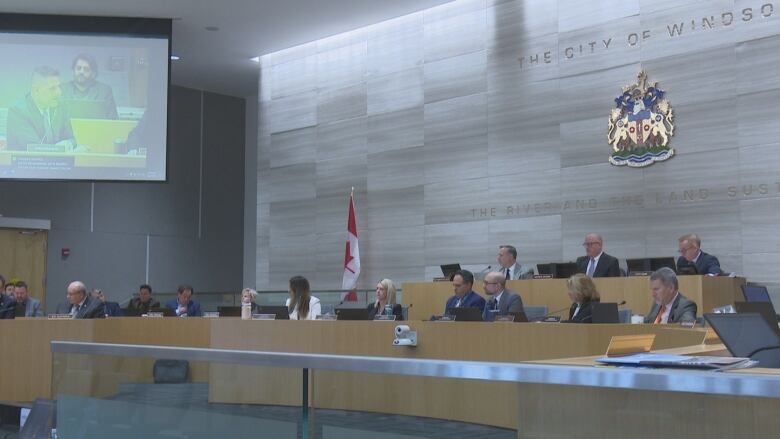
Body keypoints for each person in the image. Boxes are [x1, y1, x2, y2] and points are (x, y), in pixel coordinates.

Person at [6, 66, 75, 150]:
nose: (59, 92)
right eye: (52, 88)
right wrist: (61, 148)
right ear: (36, 90)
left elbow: (72, 138)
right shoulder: (18, 112)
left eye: (58, 87)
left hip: (60, 162)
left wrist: (69, 143)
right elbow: (34, 149)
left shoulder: (61, 106)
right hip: (28, 162)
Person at [61, 53, 118, 119]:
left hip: (96, 128)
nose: (81, 72)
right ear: (73, 70)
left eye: (86, 69)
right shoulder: (62, 89)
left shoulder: (105, 91)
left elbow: (113, 119)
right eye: (78, 68)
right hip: (68, 129)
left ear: (93, 72)